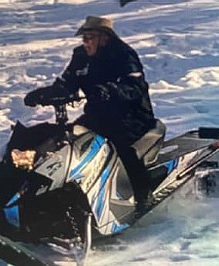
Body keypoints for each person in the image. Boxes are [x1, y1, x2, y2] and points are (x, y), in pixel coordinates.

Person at [24, 16, 165, 214]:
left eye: (90, 37)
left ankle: (143, 196)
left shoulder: (124, 55)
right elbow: (66, 84)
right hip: (98, 115)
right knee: (70, 142)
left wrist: (111, 90)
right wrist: (43, 94)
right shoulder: (81, 56)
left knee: (123, 147)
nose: (86, 42)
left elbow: (135, 87)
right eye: (84, 38)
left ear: (104, 38)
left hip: (131, 115)